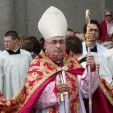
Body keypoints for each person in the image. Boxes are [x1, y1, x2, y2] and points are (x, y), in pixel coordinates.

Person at [0, 6, 99, 113]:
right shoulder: (38, 66)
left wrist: (91, 70)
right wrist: (54, 90)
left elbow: (86, 92)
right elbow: (32, 101)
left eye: (61, 42)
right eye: (54, 42)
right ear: (45, 45)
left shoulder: (73, 63)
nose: (58, 46)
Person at [0, 30, 32, 100]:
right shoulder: (1, 57)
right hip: (8, 92)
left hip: (24, 92)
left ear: (16, 41)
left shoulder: (27, 55)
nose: (5, 44)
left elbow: (32, 74)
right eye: (4, 41)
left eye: (8, 41)